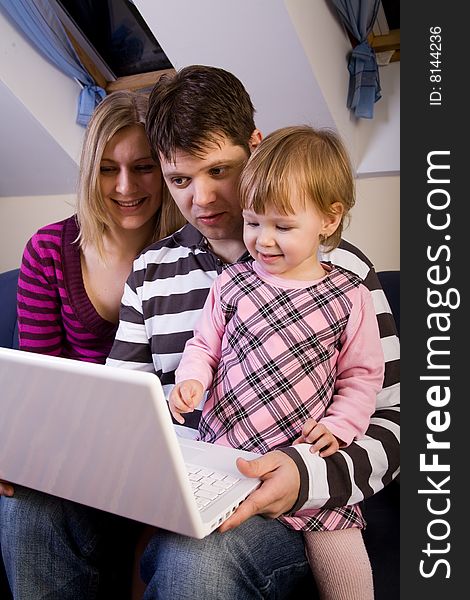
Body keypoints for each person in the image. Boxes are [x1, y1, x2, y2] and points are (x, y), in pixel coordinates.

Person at [105, 65, 400, 598]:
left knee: (194, 560)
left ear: (256, 147)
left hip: (295, 501)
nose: (204, 199)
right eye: (180, 180)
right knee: (23, 507)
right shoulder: (150, 272)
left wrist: (302, 478)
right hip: (190, 485)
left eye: (220, 171)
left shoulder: (343, 274)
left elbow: (394, 419)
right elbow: (121, 410)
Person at [169, 125, 383, 600]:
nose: (263, 240)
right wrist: (190, 380)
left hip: (305, 463)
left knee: (347, 570)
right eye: (252, 222)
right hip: (230, 456)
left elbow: (363, 375)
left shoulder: (350, 296)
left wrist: (343, 425)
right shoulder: (232, 283)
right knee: (187, 553)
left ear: (329, 219)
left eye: (282, 227)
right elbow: (204, 346)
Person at [0, 90, 185, 598]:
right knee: (25, 504)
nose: (126, 186)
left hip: (170, 463)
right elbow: (40, 386)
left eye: (145, 166)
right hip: (78, 463)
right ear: (88, 172)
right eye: (108, 169)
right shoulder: (49, 252)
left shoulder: (194, 256)